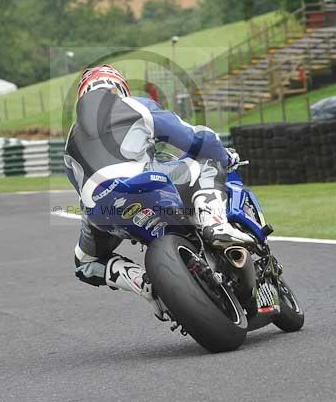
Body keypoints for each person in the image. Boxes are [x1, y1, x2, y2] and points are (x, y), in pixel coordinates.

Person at [63, 64, 251, 317]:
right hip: (144, 182)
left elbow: (81, 190)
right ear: (119, 88)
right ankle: (215, 224)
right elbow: (192, 138)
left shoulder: (69, 142)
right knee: (206, 161)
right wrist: (223, 156)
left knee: (84, 262)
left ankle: (144, 284)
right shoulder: (134, 105)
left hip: (99, 209)